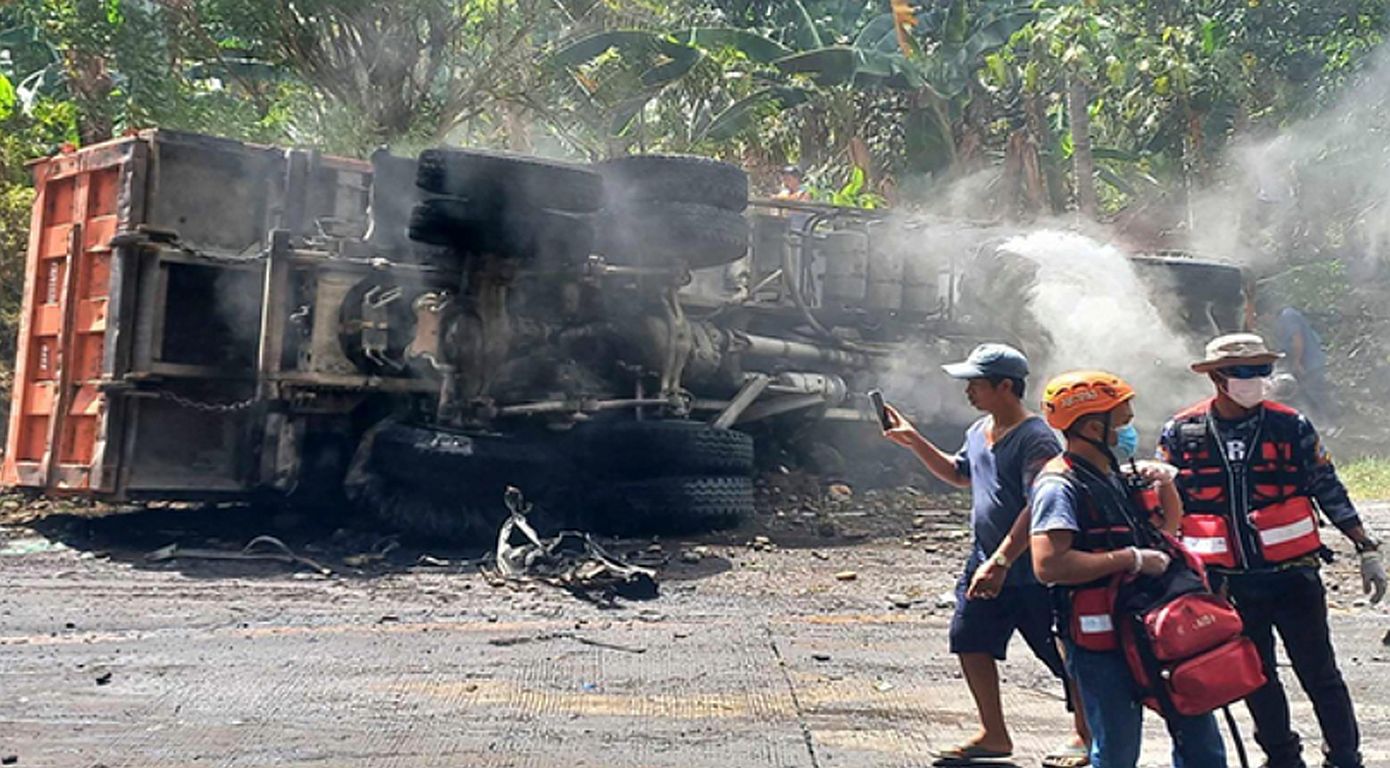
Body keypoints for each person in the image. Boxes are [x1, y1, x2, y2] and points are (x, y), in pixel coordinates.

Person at [1159, 333, 1385, 768]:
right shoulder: (1181, 433)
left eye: (1261, 370)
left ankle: (1344, 756)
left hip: (1293, 575)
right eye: (1244, 372)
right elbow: (1165, 505)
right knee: (1254, 675)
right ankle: (1282, 757)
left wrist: (1364, 545)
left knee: (1320, 673)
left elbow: (1326, 485)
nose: (1255, 380)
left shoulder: (1290, 425)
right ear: (1218, 378)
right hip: (1226, 584)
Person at [882, 343, 1090, 768]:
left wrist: (1002, 560)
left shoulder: (1036, 439)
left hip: (1031, 570)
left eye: (976, 384)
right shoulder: (979, 430)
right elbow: (960, 474)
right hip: (984, 562)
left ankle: (1086, 735)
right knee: (970, 639)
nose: (968, 392)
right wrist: (913, 441)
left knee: (1063, 654)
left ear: (1006, 386)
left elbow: (1039, 505)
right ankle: (993, 734)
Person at [1030, 370, 1228, 768]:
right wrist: (1129, 559)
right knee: (1117, 749)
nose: (1127, 430)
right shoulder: (1060, 486)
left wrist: (1166, 487)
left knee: (1199, 736)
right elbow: (1049, 563)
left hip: (1151, 631)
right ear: (1091, 426)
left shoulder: (1113, 477)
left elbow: (1166, 534)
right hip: (1100, 642)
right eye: (1121, 422)